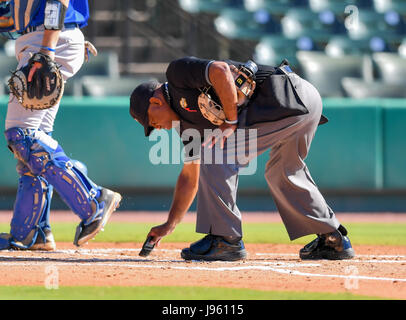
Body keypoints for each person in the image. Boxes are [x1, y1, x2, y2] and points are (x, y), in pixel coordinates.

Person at [129, 56, 355, 261]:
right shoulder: (187, 127)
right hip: (301, 102)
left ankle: (226, 240)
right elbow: (190, 175)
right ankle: (332, 239)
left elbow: (219, 70)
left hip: (284, 95)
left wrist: (230, 120)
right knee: (282, 171)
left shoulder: (177, 73)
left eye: (152, 123)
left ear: (155, 102)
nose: (156, 129)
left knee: (216, 152)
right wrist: (170, 224)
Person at [0, 0, 122, 251]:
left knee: (22, 136)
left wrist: (48, 49)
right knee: (34, 143)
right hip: (43, 40)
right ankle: (31, 233)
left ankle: (93, 200)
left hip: (46, 42)